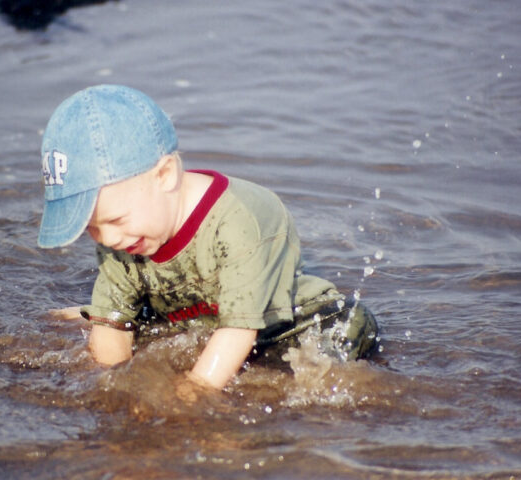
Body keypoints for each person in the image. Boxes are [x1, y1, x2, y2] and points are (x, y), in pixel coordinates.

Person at [37, 84, 378, 393]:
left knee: (297, 376)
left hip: (288, 324)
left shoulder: (240, 221)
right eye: (91, 229)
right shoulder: (126, 235)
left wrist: (193, 391)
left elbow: (237, 331)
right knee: (125, 328)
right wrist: (113, 386)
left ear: (165, 175)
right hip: (195, 316)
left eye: (114, 220)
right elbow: (113, 336)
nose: (107, 238)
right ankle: (96, 309)